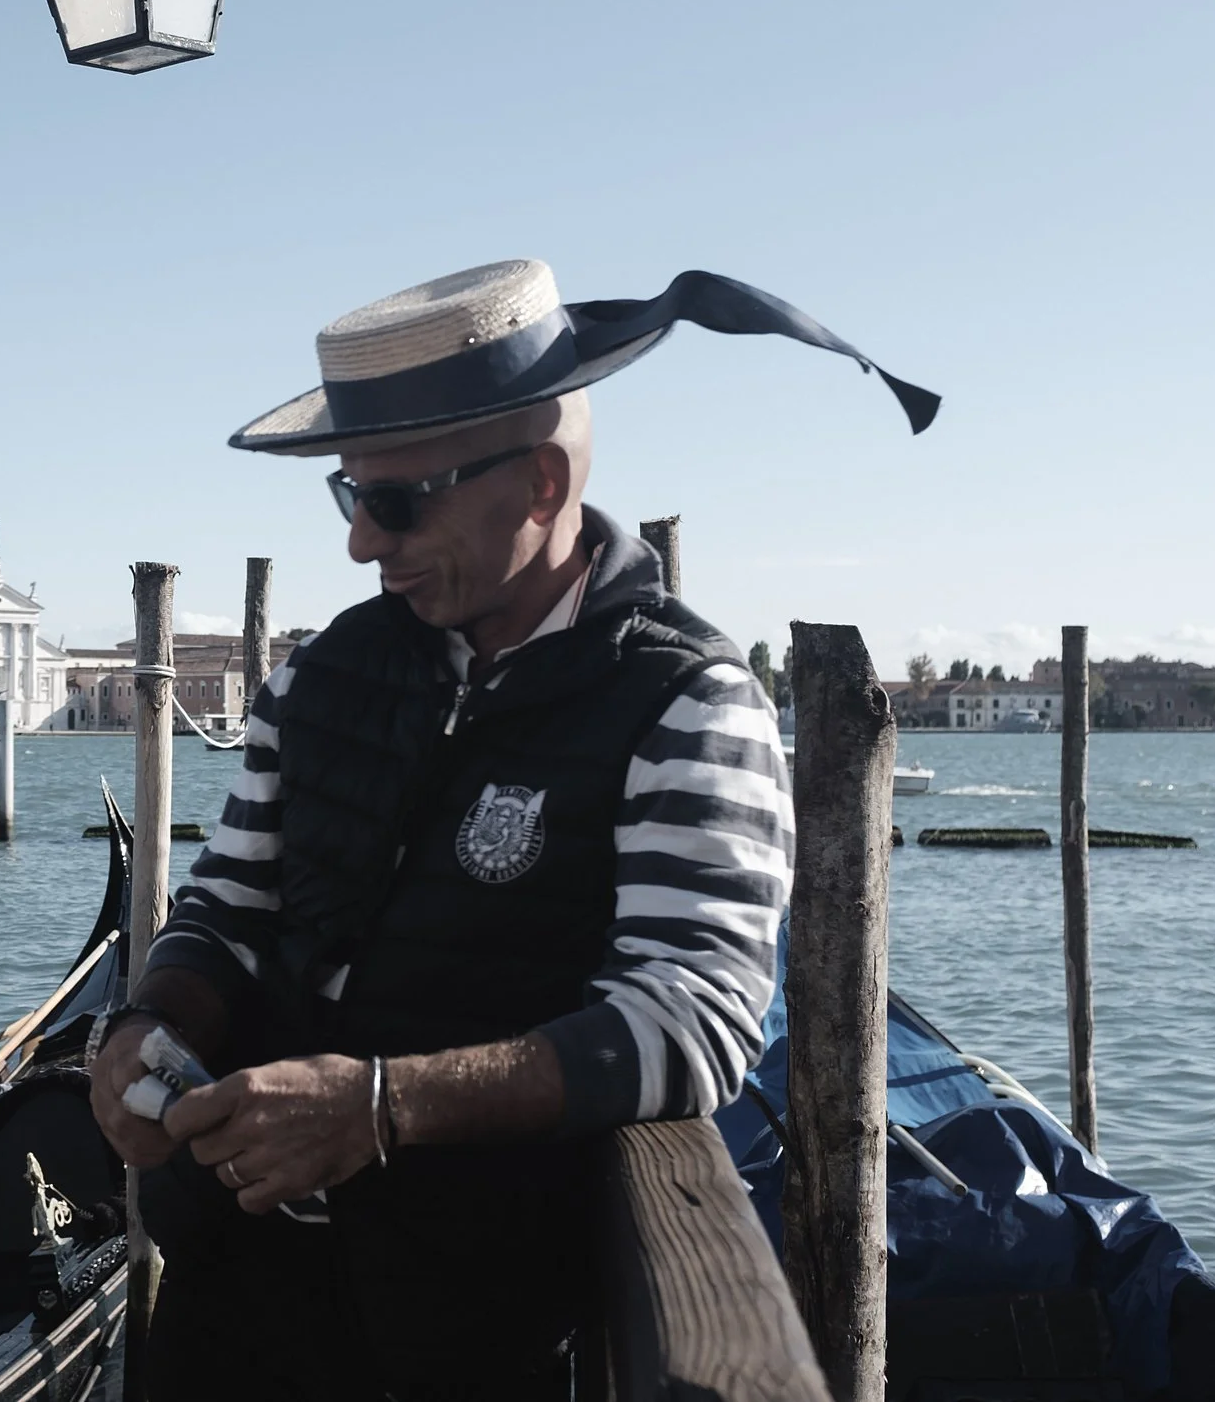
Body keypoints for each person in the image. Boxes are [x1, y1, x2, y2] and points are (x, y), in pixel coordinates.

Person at [88, 259, 935, 1399]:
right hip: (231, 1288)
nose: (360, 542)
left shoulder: (685, 697)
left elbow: (695, 1021)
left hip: (480, 1326)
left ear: (539, 483)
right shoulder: (321, 676)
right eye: (350, 496)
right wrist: (147, 1023)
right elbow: (226, 911)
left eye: (397, 500)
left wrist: (382, 1105)